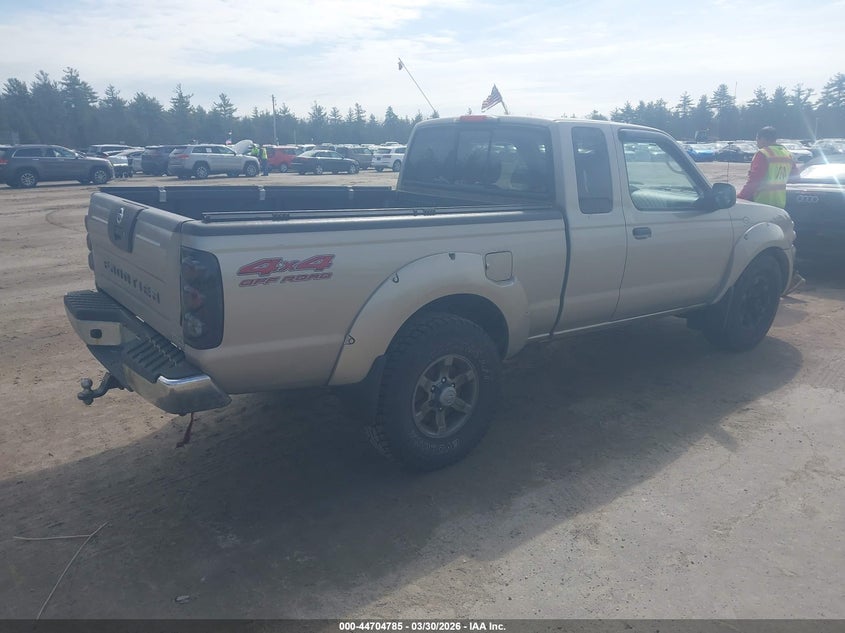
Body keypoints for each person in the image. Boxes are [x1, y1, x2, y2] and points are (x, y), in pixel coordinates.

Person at [738, 126, 804, 293]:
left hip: (761, 204)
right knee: (780, 244)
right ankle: (791, 278)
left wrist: (740, 198)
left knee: (756, 245)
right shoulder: (786, 154)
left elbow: (754, 181)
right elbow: (796, 178)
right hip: (779, 204)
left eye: (757, 139)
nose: (756, 143)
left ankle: (762, 282)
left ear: (763, 138)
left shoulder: (763, 154)